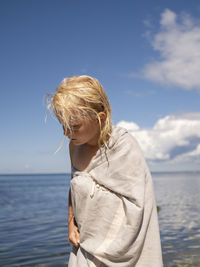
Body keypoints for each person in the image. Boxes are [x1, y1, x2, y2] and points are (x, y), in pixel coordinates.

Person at [47, 75, 163, 266]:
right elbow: (74, 185)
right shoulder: (74, 146)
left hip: (118, 247)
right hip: (84, 244)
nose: (67, 134)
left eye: (74, 126)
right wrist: (70, 224)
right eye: (63, 126)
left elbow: (137, 205)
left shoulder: (122, 145)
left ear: (99, 118)